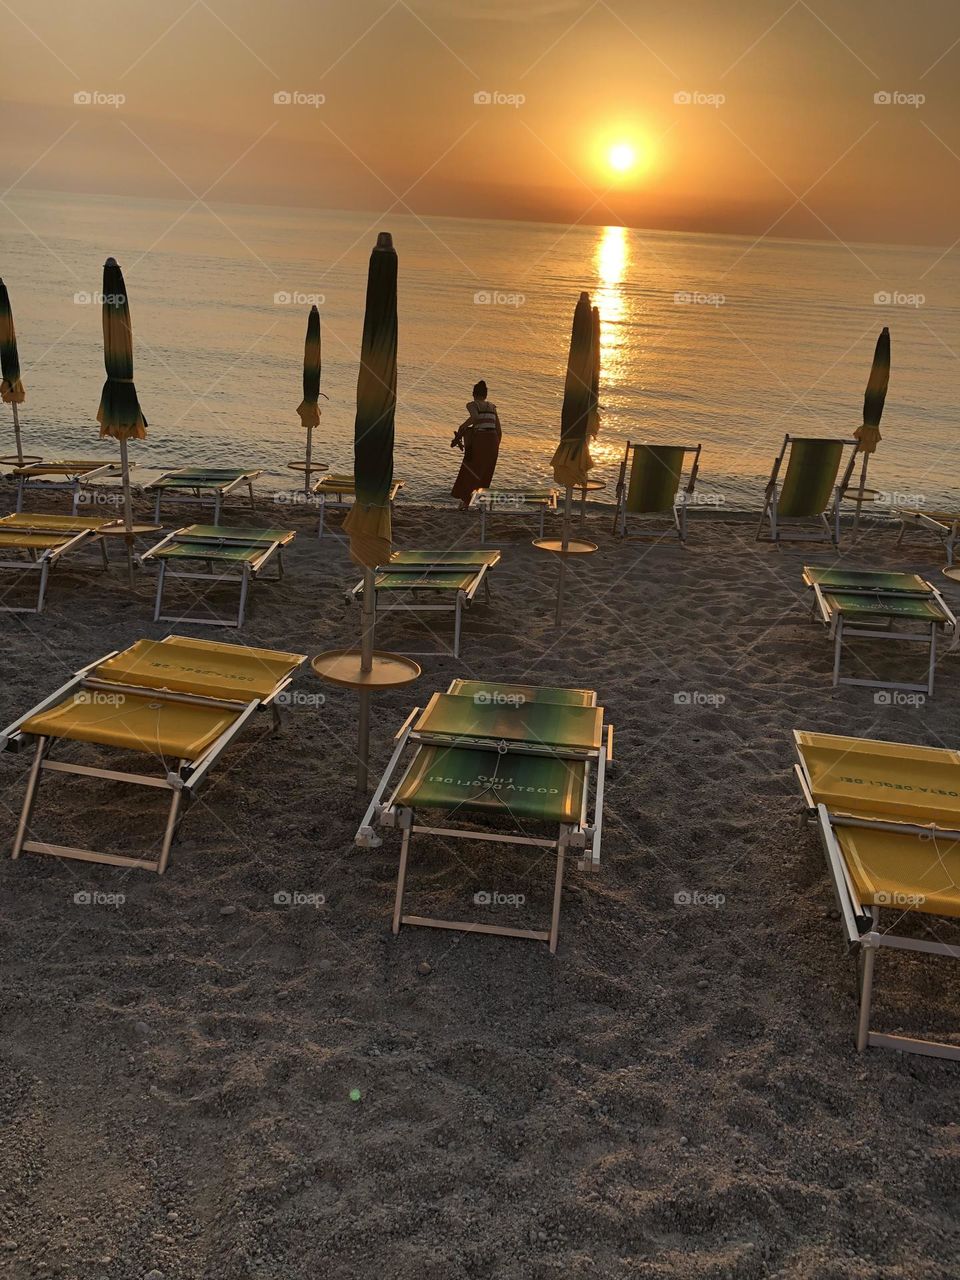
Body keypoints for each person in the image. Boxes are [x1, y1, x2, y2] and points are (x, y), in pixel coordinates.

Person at [451, 380, 502, 509]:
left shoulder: (472, 405)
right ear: (485, 395)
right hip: (493, 440)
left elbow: (474, 418)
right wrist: (496, 445)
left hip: (481, 439)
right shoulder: (492, 406)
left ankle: (466, 502)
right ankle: (481, 502)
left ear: (474, 394)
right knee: (486, 471)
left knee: (469, 469)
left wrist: (462, 427)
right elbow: (499, 430)